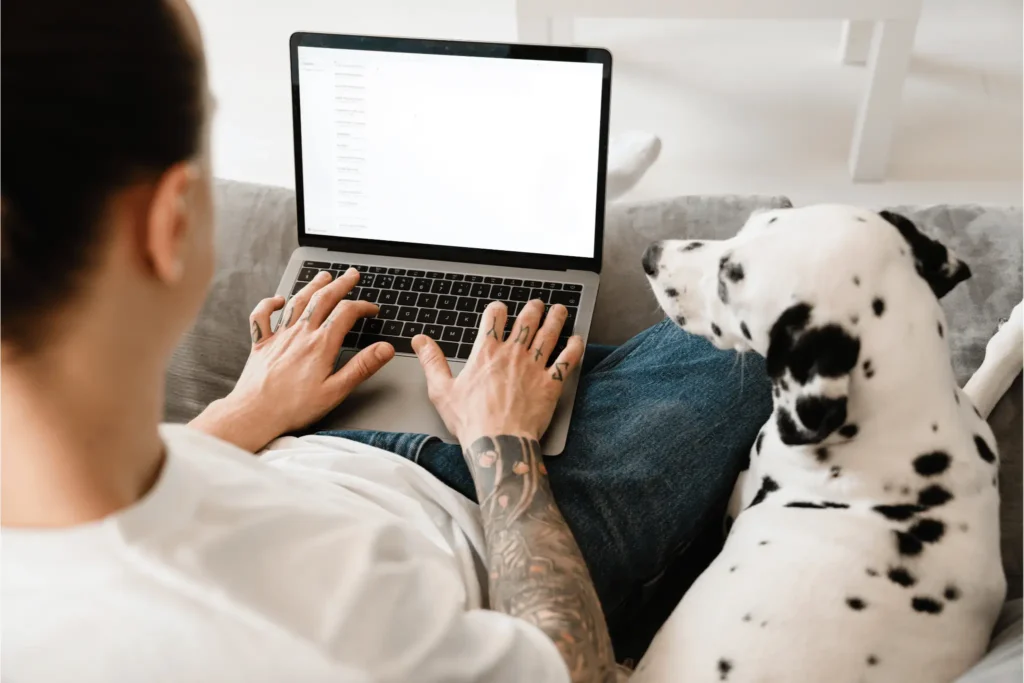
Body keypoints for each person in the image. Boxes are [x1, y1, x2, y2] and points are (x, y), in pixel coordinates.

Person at [0, 2, 773, 682]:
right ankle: (542, 216)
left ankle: (526, 216)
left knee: (528, 339)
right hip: (486, 502)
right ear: (169, 225)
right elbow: (567, 666)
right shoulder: (339, 614)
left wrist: (247, 407)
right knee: (763, 317)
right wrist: (503, 441)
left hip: (295, 429)